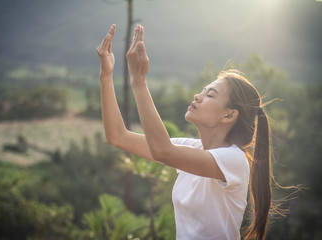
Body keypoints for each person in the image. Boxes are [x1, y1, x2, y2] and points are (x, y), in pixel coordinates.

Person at [96, 24, 272, 240]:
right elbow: (117, 136)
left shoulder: (233, 160)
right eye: (203, 90)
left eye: (210, 95)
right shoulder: (192, 148)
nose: (198, 96)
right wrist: (106, 75)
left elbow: (162, 151)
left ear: (229, 116)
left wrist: (139, 81)